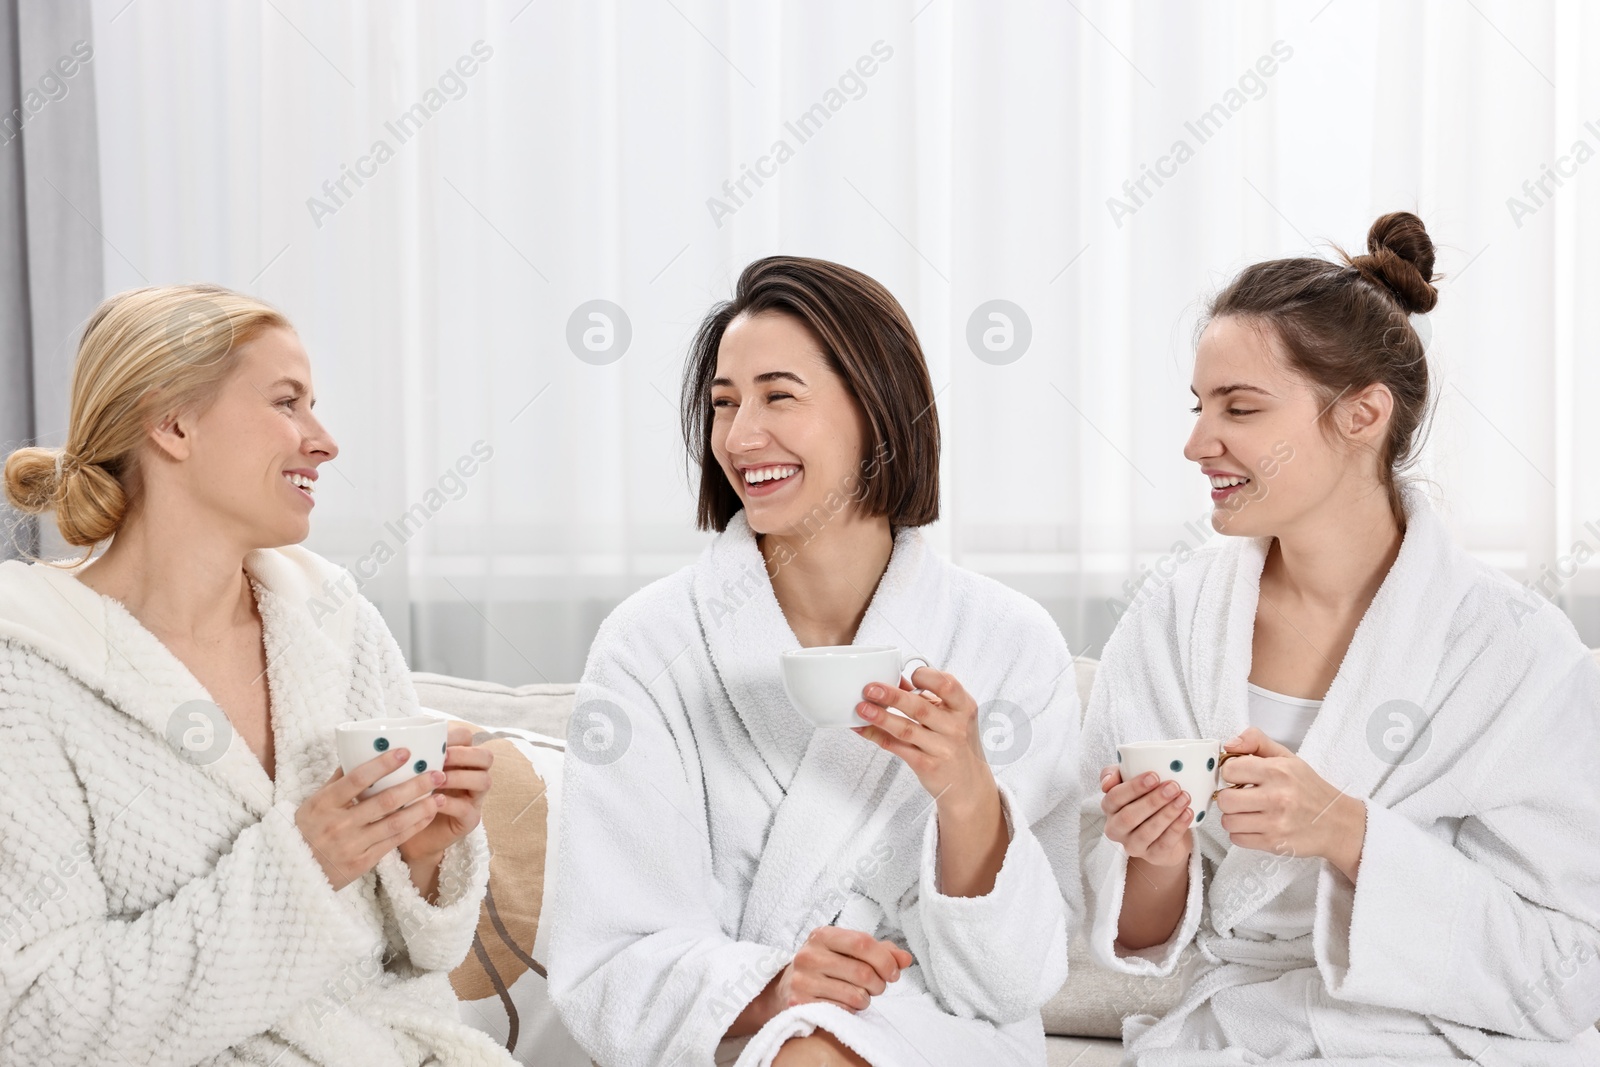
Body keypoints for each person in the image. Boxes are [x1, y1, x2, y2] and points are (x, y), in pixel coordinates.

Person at [1081, 213, 1600, 1063]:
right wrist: (1158, 859)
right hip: (1242, 1028)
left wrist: (1349, 832)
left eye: (1238, 407)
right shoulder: (1173, 623)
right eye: (1198, 406)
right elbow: (1137, 933)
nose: (1195, 442)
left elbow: (1572, 966)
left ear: (1362, 415)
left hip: (1449, 1037)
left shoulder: (1513, 650)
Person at [546, 257, 1080, 1066]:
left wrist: (967, 792)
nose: (739, 436)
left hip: (946, 1032)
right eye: (724, 403)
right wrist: (774, 986)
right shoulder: (650, 647)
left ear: (876, 405)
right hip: (730, 1033)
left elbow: (1012, 979)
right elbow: (608, 954)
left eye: (778, 395)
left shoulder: (1009, 641)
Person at [0, 285, 508, 1066]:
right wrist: (299, 867)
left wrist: (425, 856)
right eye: (288, 403)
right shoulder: (28, 673)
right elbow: (32, 1022)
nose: (325, 440)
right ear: (172, 423)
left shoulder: (334, 625)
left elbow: (417, 960)